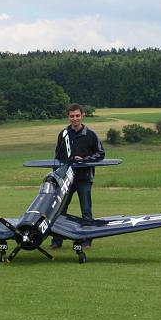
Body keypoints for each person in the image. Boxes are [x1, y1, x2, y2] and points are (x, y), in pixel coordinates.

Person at [49, 104, 104, 250]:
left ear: (82, 116)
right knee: (60, 210)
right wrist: (56, 173)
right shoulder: (63, 134)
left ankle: (86, 241)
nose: (75, 119)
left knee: (86, 210)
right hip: (67, 179)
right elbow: (58, 157)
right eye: (72, 116)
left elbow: (100, 154)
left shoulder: (90, 134)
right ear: (68, 117)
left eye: (77, 116)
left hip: (84, 178)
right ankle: (56, 241)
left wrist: (85, 159)